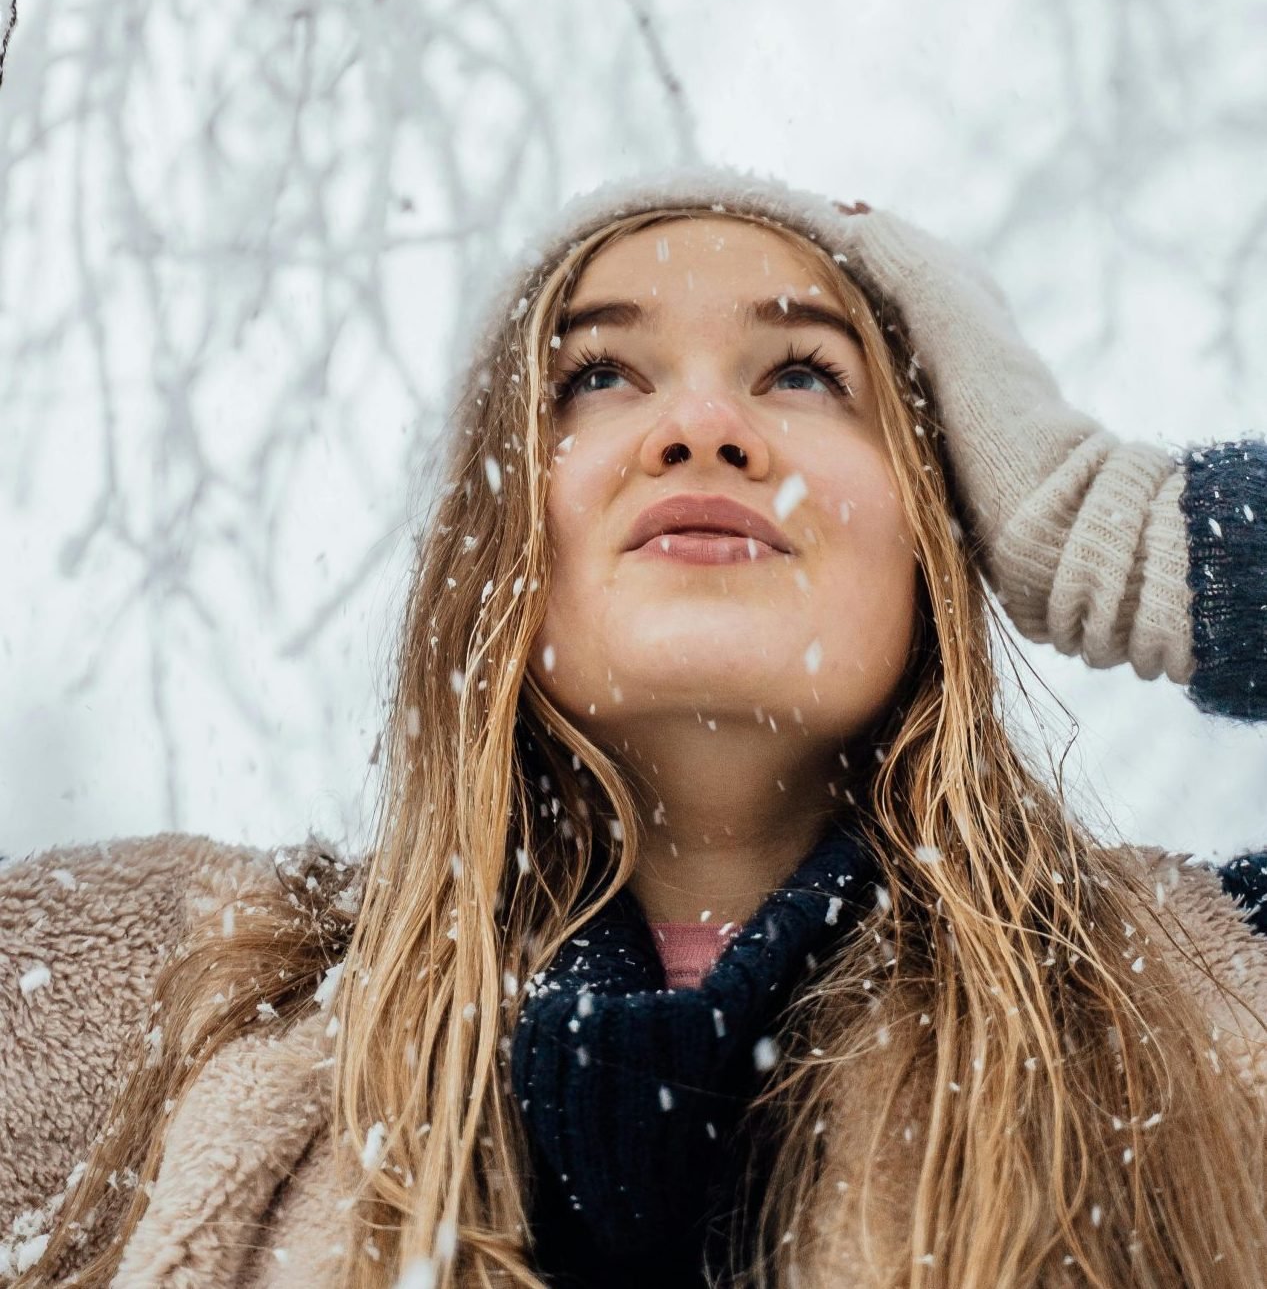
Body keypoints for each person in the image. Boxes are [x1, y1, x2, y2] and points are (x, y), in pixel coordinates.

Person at [3, 165, 1266, 1289]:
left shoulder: (1211, 998)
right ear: (488, 541)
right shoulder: (178, 997)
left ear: (939, 534)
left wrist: (1133, 535)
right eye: (597, 373)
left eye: (803, 373)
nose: (701, 427)